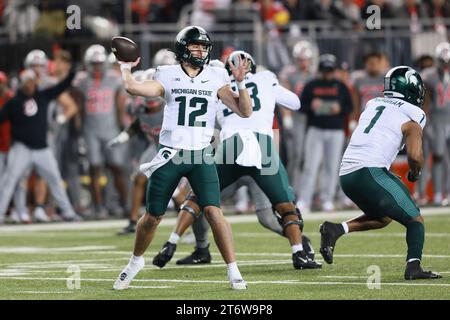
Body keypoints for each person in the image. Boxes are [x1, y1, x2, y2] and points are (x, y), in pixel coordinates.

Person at [152, 50, 321, 270]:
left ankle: (171, 242)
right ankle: (299, 253)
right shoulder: (265, 79)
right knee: (286, 205)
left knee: (199, 196)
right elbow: (296, 103)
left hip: (230, 144)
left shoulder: (217, 82)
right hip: (263, 145)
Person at [112, 26, 253, 291]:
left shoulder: (215, 75)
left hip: (201, 154)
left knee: (213, 211)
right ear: (182, 49)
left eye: (204, 46)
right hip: (171, 154)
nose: (201, 51)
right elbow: (133, 89)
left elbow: (244, 112)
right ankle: (135, 262)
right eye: (195, 46)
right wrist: (125, 67)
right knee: (153, 216)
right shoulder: (167, 74)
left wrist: (241, 83)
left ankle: (233, 270)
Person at [319, 65, 442, 280]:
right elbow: (414, 156)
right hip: (369, 171)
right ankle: (413, 267)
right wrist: (415, 172)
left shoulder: (374, 103)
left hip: (347, 175)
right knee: (415, 219)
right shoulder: (415, 114)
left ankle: (336, 229)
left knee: (384, 217)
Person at [0, 67, 81, 224]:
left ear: (35, 82)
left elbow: (61, 87)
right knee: (9, 180)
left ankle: (68, 212)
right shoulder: (14, 102)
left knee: (55, 179)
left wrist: (71, 73)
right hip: (21, 148)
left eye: (31, 81)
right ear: (22, 84)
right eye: (26, 82)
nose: (29, 85)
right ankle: (1, 213)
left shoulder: (43, 96)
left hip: (42, 148)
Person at [73, 44, 129, 218]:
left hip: (111, 128)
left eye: (99, 63)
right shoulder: (81, 80)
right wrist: (78, 125)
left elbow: (120, 104)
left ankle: (125, 204)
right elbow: (78, 104)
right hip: (90, 129)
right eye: (93, 63)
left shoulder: (114, 78)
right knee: (94, 168)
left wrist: (123, 126)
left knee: (117, 167)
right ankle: (99, 207)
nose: (96, 66)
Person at [296, 54, 353, 213]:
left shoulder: (341, 86)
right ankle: (304, 200)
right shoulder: (311, 85)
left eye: (330, 70)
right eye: (325, 70)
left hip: (336, 129)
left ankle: (327, 199)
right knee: (310, 165)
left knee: (332, 165)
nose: (327, 73)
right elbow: (301, 105)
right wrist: (311, 106)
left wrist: (340, 109)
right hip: (316, 128)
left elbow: (349, 107)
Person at [421, 41, 450, 206]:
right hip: (436, 120)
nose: (446, 65)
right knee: (438, 157)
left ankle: (447, 192)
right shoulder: (428, 75)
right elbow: (424, 101)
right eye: (443, 61)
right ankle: (438, 193)